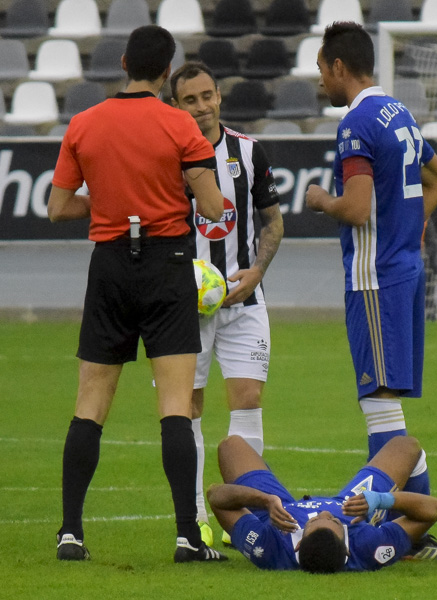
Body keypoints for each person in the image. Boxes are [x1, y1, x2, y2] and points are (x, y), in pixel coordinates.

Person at [47, 25, 229, 563]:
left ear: (124, 62)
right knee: (175, 406)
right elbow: (215, 207)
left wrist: (107, 207)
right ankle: (185, 537)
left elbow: (58, 207)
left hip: (108, 265)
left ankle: (71, 533)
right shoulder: (180, 125)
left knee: (90, 404)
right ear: (168, 72)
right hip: (166, 262)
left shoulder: (84, 123)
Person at [304, 21, 437, 560]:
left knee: (379, 408)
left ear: (340, 67)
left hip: (375, 278)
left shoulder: (356, 124)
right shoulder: (399, 113)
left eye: (322, 69)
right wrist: (410, 230)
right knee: (389, 409)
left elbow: (357, 206)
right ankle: (416, 530)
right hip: (406, 270)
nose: (320, 79)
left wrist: (321, 198)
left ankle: (408, 535)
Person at [168, 61, 285, 545]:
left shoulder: (249, 152)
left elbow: (273, 222)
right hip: (183, 309)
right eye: (189, 100)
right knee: (188, 407)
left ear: (219, 97)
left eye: (206, 96)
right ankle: (197, 515)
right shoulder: (165, 156)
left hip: (244, 299)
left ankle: (247, 515)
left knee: (249, 401)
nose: (200, 107)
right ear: (175, 106)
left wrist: (257, 270)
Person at [207, 435, 437, 572]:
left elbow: (215, 496)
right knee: (405, 446)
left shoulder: (268, 547)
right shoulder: (367, 545)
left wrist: (263, 500)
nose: (323, 511)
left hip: (275, 508)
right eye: (335, 521)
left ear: (299, 543)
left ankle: (265, 496)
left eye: (314, 522)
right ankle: (414, 544)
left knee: (231, 447)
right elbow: (433, 509)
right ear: (347, 546)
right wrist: (380, 500)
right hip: (350, 504)